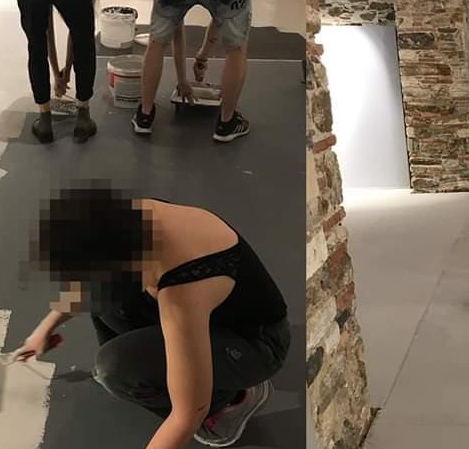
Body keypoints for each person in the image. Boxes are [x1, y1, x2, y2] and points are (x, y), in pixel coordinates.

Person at [15, 187, 291, 448]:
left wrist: (198, 402)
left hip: (256, 343)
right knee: (105, 302)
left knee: (115, 368)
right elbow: (88, 285)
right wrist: (44, 328)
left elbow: (188, 414)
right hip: (210, 315)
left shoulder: (182, 295)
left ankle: (230, 400)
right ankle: (177, 372)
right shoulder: (128, 220)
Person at [133, 0, 254, 143]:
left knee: (157, 42)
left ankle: (144, 117)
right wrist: (197, 62)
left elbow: (175, 28)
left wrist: (192, 69)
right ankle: (226, 124)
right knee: (236, 47)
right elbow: (222, 16)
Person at [15, 0, 101, 144]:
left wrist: (60, 74)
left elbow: (47, 33)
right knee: (85, 42)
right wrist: (64, 72)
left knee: (35, 46)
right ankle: (83, 118)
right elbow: (78, 33)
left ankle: (44, 122)